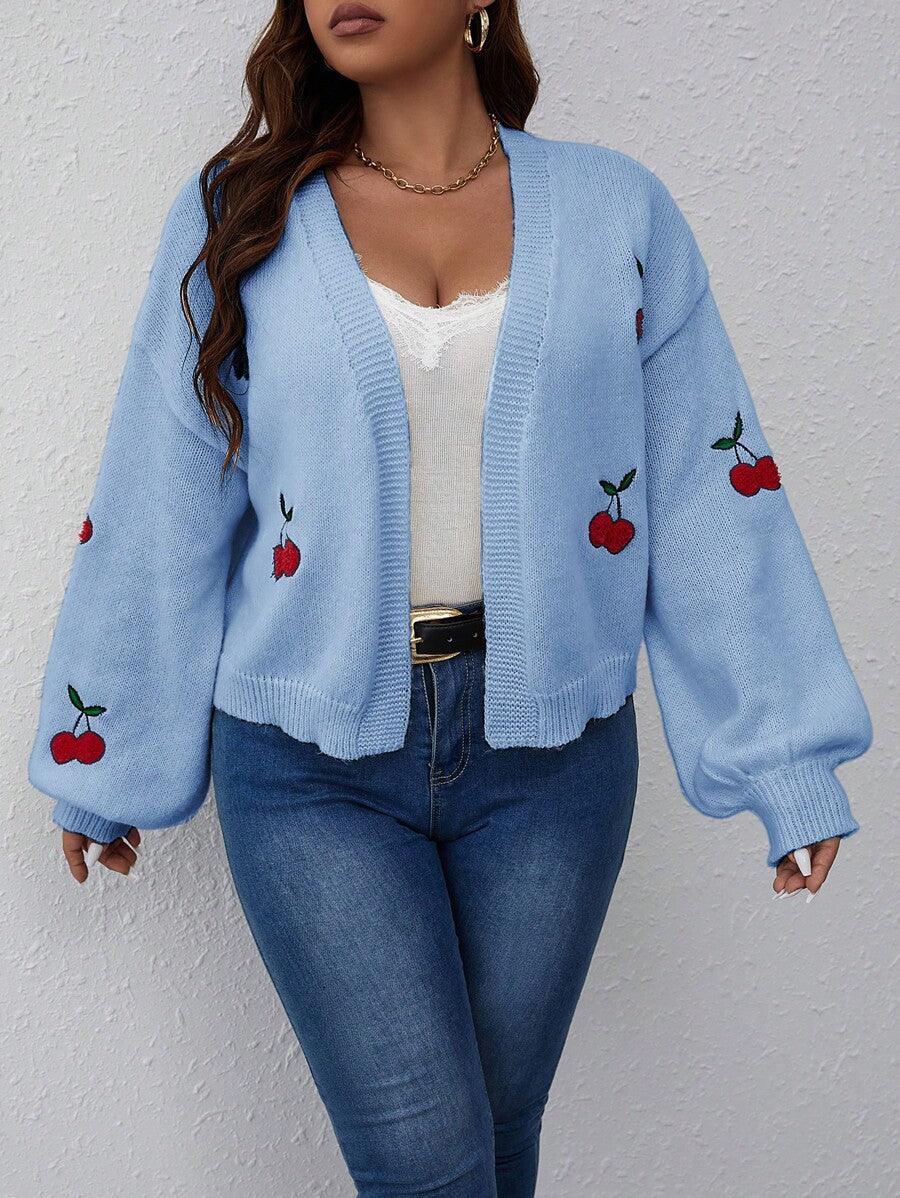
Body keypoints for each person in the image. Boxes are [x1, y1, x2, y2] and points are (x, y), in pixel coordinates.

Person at [27, 2, 873, 1194]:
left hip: (558, 765)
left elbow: (707, 487)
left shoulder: (618, 211)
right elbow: (158, 495)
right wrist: (104, 754)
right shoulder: (239, 214)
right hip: (305, 764)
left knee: (496, 1144)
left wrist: (784, 759)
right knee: (428, 1160)